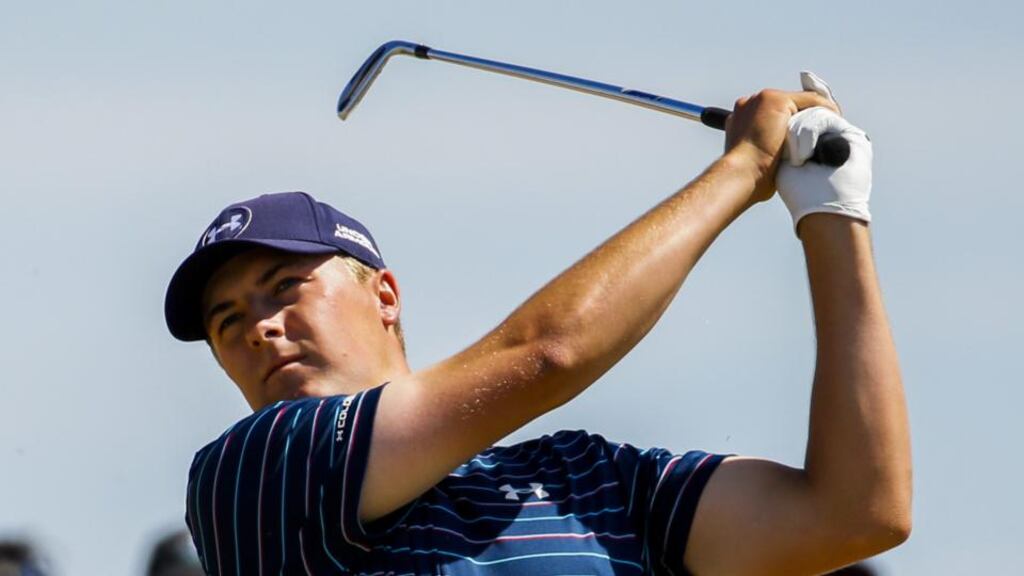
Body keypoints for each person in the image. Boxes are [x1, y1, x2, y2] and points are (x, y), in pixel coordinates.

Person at [165, 75, 911, 575]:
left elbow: (857, 512)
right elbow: (551, 353)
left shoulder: (590, 478)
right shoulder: (255, 473)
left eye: (284, 288)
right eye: (227, 320)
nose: (258, 327)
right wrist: (744, 168)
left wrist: (832, 212)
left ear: (385, 296)